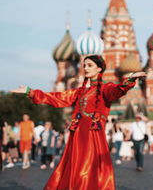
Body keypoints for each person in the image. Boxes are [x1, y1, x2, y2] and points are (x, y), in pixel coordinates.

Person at [11, 55, 145, 190]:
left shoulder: (105, 88)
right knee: (74, 167)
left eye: (89, 65)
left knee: (87, 168)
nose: (85, 68)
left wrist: (130, 80)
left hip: (92, 136)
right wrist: (31, 92)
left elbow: (117, 90)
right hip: (77, 135)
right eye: (84, 65)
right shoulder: (80, 92)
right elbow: (57, 98)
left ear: (99, 68)